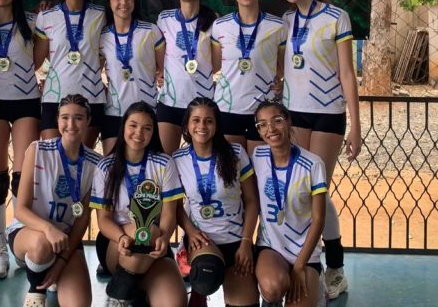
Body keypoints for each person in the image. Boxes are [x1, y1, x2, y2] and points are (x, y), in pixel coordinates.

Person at [276, 0, 361, 300]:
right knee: (299, 190)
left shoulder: (336, 17)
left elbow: (347, 73)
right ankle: (299, 258)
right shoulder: (286, 21)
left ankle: (335, 268)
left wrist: (356, 125)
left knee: (318, 192)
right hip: (293, 114)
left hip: (327, 113)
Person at [6, 95, 102, 307]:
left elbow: (82, 219)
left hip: (65, 240)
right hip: (29, 234)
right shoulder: (37, 150)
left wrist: (61, 263)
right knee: (41, 245)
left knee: (78, 304)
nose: (71, 124)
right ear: (57, 119)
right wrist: (48, 229)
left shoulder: (96, 164)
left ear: (88, 121)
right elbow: (20, 210)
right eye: (65, 117)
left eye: (78, 118)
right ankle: (36, 288)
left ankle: (52, 269)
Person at [91, 101, 186, 307]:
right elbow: (104, 220)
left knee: (173, 303)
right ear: (123, 127)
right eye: (133, 125)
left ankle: (133, 292)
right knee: (146, 230)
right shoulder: (106, 166)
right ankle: (119, 296)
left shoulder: (164, 163)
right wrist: (121, 237)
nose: (139, 133)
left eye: (147, 128)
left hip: (154, 243)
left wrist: (165, 238)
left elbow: (169, 214)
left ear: (153, 132)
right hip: (116, 242)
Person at [0, 0, 41, 279]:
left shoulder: (33, 22)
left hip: (26, 103)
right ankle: (0, 251)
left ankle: (20, 243)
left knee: (22, 178)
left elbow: (42, 59)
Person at [172, 97, 259, 307]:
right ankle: (198, 289)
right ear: (187, 125)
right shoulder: (178, 159)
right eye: (196, 120)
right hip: (202, 241)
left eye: (209, 121)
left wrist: (246, 242)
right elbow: (174, 206)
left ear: (217, 125)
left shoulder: (235, 153)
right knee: (206, 276)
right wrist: (190, 231)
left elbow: (251, 200)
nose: (202, 126)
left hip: (236, 241)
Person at [250, 101, 328, 307]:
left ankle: (317, 282)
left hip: (305, 252)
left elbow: (319, 220)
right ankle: (271, 299)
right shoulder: (257, 156)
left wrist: (300, 265)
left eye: (277, 121)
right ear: (259, 131)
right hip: (271, 246)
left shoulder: (313, 164)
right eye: (262, 125)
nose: (271, 129)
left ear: (288, 122)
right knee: (273, 288)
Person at [211, 0, 285, 149]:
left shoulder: (278, 26)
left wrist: (283, 83)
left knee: (261, 165)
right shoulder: (220, 25)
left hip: (264, 110)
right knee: (232, 165)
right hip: (228, 108)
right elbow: (214, 66)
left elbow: (283, 67)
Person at [34, 0, 106, 146]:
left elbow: (107, 53)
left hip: (90, 97)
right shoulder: (46, 16)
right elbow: (36, 61)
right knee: (53, 157)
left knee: (81, 159)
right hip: (54, 96)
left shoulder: (101, 15)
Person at [156, 0, 217, 154]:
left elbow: (217, 64)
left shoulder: (215, 22)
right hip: (171, 101)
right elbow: (159, 55)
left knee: (203, 159)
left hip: (202, 103)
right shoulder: (164, 19)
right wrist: (161, 73)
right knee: (166, 160)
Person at [99, 0, 164, 154]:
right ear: (109, 2)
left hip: (147, 111)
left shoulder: (150, 31)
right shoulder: (102, 35)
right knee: (113, 166)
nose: (124, 2)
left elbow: (165, 69)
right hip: (114, 112)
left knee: (147, 166)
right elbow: (93, 71)